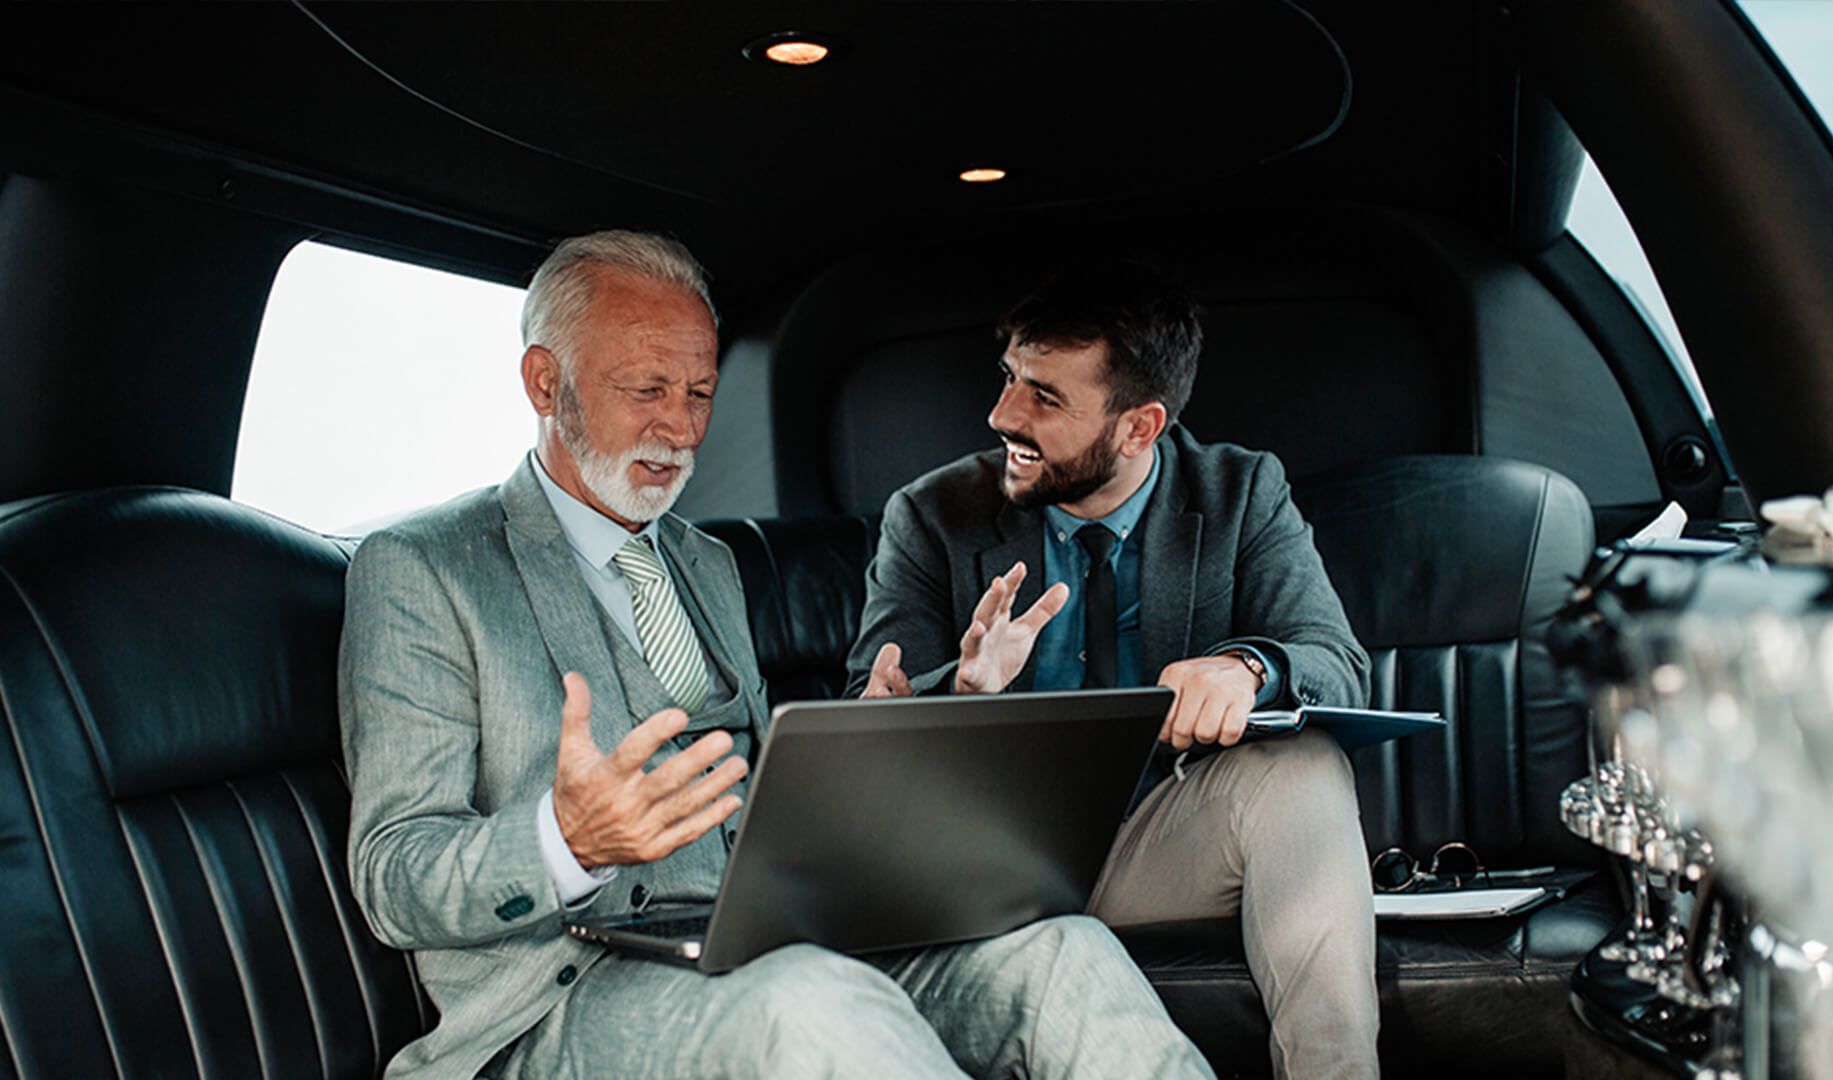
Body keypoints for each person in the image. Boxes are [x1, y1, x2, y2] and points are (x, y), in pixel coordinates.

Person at [339, 231, 1214, 1080]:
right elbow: (391, 873)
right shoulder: (425, 568)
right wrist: (567, 840)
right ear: (544, 381)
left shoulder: (707, 565)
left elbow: (754, 801)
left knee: (1058, 948)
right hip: (563, 1002)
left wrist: (883, 740)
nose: (681, 429)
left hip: (774, 942)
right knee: (810, 1002)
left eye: (700, 393)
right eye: (647, 389)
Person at [848, 261, 1379, 1079]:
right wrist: (957, 693)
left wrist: (1247, 669)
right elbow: (870, 707)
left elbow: (1334, 663)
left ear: (1139, 427)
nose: (1001, 415)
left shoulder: (1241, 492)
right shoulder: (930, 515)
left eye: (1045, 398)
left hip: (1165, 846)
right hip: (994, 862)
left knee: (1305, 768)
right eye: (1010, 379)